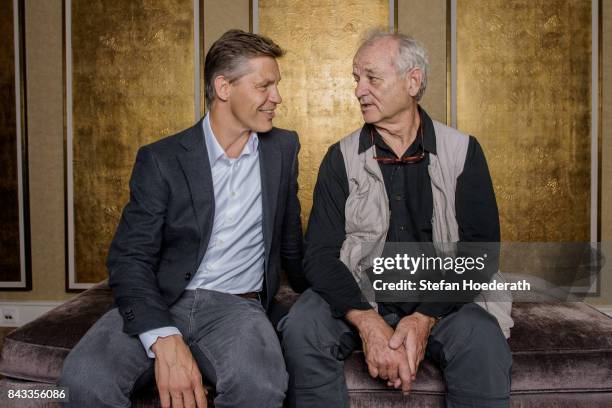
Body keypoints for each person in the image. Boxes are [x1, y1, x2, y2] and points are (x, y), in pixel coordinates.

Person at [58, 29, 307, 408]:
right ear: (224, 87)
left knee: (261, 384)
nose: (277, 97)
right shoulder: (162, 159)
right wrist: (162, 335)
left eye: (276, 86)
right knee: (83, 378)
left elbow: (291, 242)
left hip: (238, 306)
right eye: (264, 86)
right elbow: (130, 257)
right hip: (163, 297)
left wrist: (336, 297)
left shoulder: (282, 148)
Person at [279, 30, 513, 408]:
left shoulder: (463, 151)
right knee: (302, 327)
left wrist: (423, 319)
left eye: (372, 77)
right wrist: (368, 322)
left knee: (482, 340)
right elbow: (319, 256)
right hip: (360, 295)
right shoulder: (339, 157)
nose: (359, 90)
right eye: (357, 79)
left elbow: (481, 255)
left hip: (442, 301)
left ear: (413, 81)